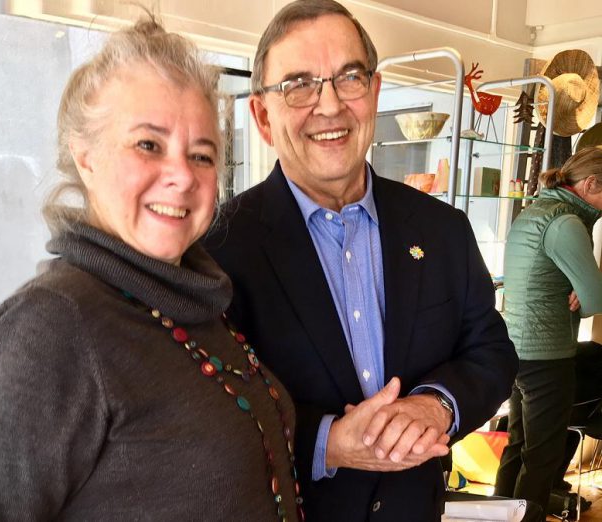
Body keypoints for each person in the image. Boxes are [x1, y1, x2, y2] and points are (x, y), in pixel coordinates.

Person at [0, 16, 303, 521]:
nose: (181, 176)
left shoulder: (192, 298)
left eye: (201, 155)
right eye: (148, 145)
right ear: (85, 156)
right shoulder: (48, 328)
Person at [202, 1, 518, 520]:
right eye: (298, 85)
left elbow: (491, 350)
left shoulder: (443, 229)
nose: (328, 106)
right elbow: (209, 413)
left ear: (372, 92)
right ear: (262, 115)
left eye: (348, 77)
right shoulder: (217, 250)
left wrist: (437, 404)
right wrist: (327, 442)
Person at [494, 146, 602, 518]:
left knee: (518, 445)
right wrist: (583, 286)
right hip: (548, 355)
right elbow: (594, 299)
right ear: (590, 184)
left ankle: (494, 514)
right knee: (543, 456)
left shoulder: (536, 211)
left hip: (515, 350)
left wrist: (578, 284)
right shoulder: (567, 222)